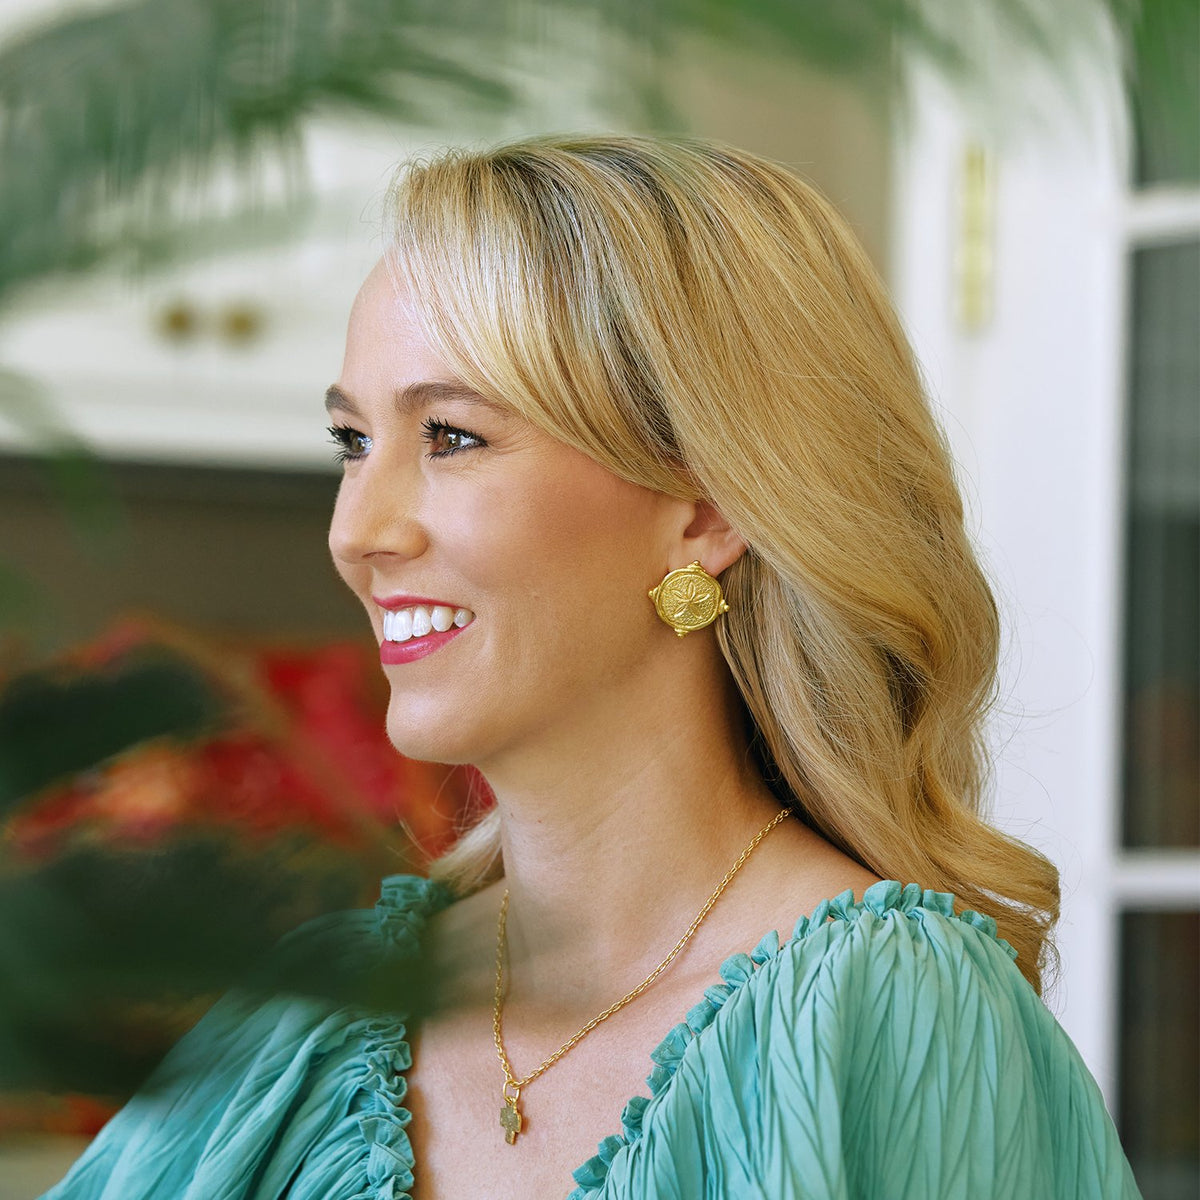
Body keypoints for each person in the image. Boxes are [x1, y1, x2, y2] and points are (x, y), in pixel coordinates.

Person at [40, 134, 1141, 1199]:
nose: (358, 531)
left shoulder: (893, 1015)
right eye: (353, 444)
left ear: (705, 510)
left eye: (452, 437)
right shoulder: (309, 1026)